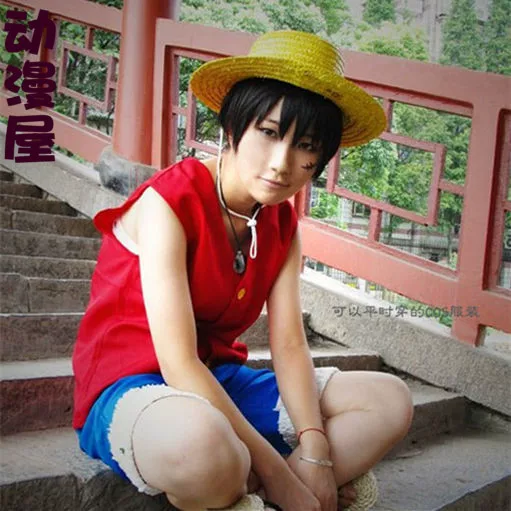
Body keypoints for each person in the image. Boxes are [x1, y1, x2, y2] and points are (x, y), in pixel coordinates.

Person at [72, 30, 414, 511]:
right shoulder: (168, 203)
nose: (281, 164)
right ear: (233, 126)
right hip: (135, 388)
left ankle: (248, 485)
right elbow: (178, 363)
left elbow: (289, 345)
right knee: (202, 448)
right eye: (269, 133)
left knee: (390, 400)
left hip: (220, 382)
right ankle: (256, 478)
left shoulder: (280, 223)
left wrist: (315, 449)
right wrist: (282, 478)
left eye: (305, 146)